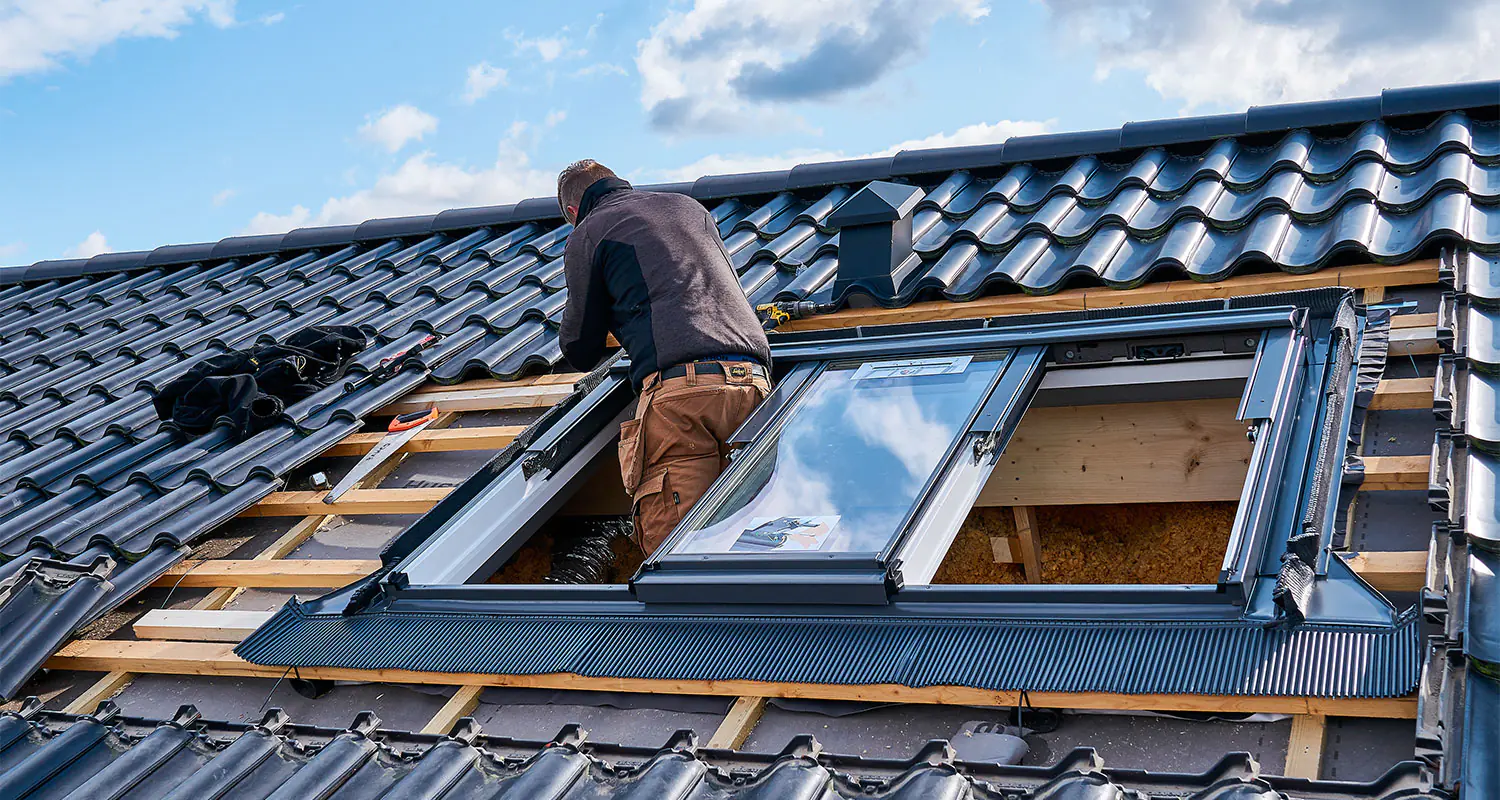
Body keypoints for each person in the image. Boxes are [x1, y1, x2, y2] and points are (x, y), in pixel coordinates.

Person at [557, 160, 772, 556]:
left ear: (573, 211)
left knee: (676, 549)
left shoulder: (589, 232)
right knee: (752, 537)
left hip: (682, 398)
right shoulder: (689, 208)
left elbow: (581, 348)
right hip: (756, 385)